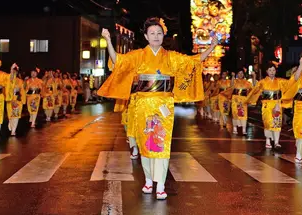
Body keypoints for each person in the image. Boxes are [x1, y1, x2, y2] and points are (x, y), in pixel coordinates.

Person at [98, 17, 217, 200]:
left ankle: (160, 184)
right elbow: (118, 62)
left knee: (160, 143)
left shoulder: (171, 57)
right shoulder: (138, 55)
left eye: (159, 33)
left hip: (163, 105)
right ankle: (147, 180)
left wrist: (211, 47)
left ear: (164, 36)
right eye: (152, 33)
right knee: (146, 144)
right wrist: (108, 42)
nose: (156, 36)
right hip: (142, 105)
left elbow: (193, 62)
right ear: (146, 36)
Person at [246, 62, 289, 149]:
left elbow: (290, 83)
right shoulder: (262, 82)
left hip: (277, 104)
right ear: (267, 71)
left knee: (277, 123)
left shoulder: (280, 81)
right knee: (268, 123)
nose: (272, 72)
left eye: (273, 70)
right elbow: (255, 89)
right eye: (270, 70)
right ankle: (268, 140)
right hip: (267, 105)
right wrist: (254, 77)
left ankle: (276, 142)